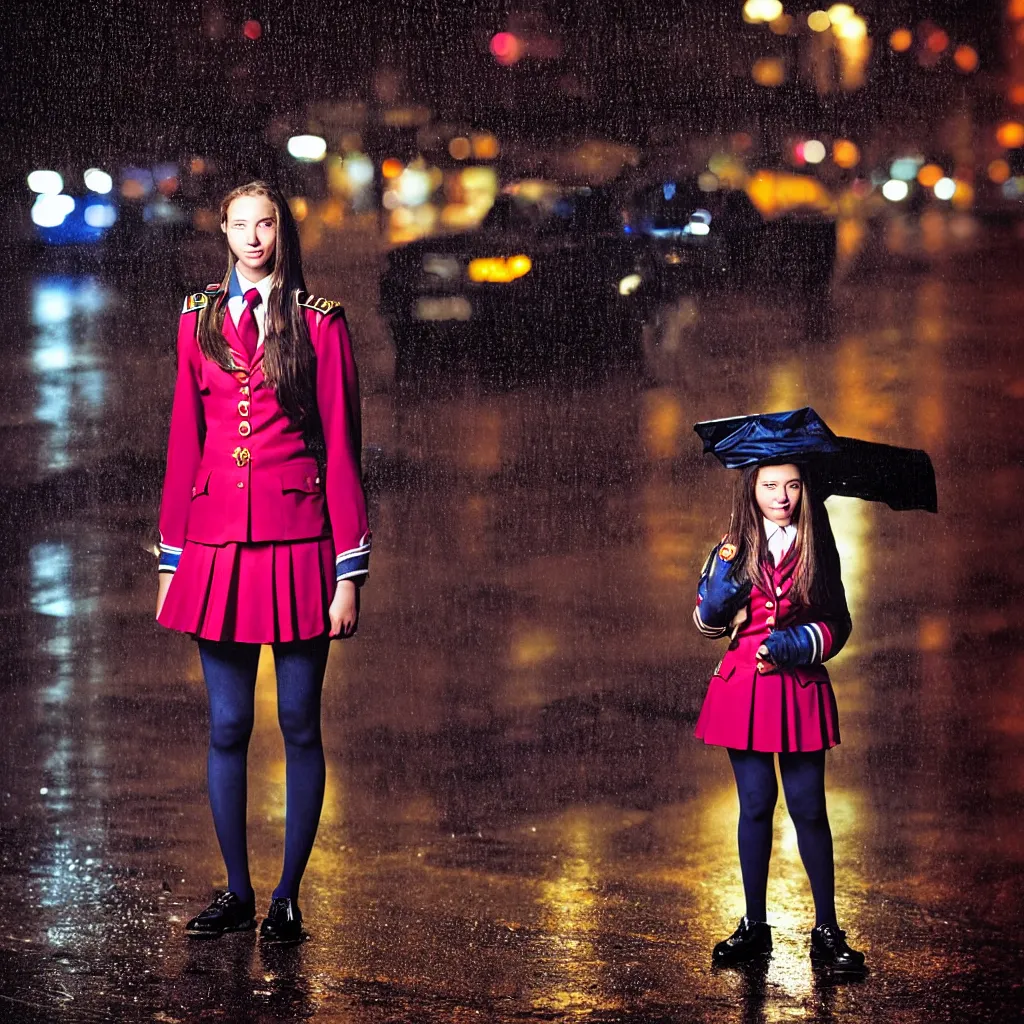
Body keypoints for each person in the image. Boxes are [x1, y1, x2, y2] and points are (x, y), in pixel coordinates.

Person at [155, 180, 371, 944]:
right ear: (224, 232)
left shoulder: (320, 324)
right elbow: (185, 441)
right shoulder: (196, 321)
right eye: (240, 225)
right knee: (226, 724)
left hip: (300, 543)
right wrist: (170, 559)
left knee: (298, 723)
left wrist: (350, 570)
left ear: (283, 231)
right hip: (214, 545)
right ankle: (237, 890)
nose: (253, 238)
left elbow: (342, 450)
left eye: (266, 224)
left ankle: (286, 895)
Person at [692, 460, 865, 973]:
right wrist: (720, 595)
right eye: (770, 486)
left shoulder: (817, 544)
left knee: (810, 809)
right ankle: (754, 927)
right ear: (753, 489)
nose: (782, 496)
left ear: (803, 489)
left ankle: (827, 931)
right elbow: (704, 621)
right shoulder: (733, 544)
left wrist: (797, 643)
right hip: (742, 689)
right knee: (755, 806)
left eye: (792, 486)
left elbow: (839, 622)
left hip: (798, 687)